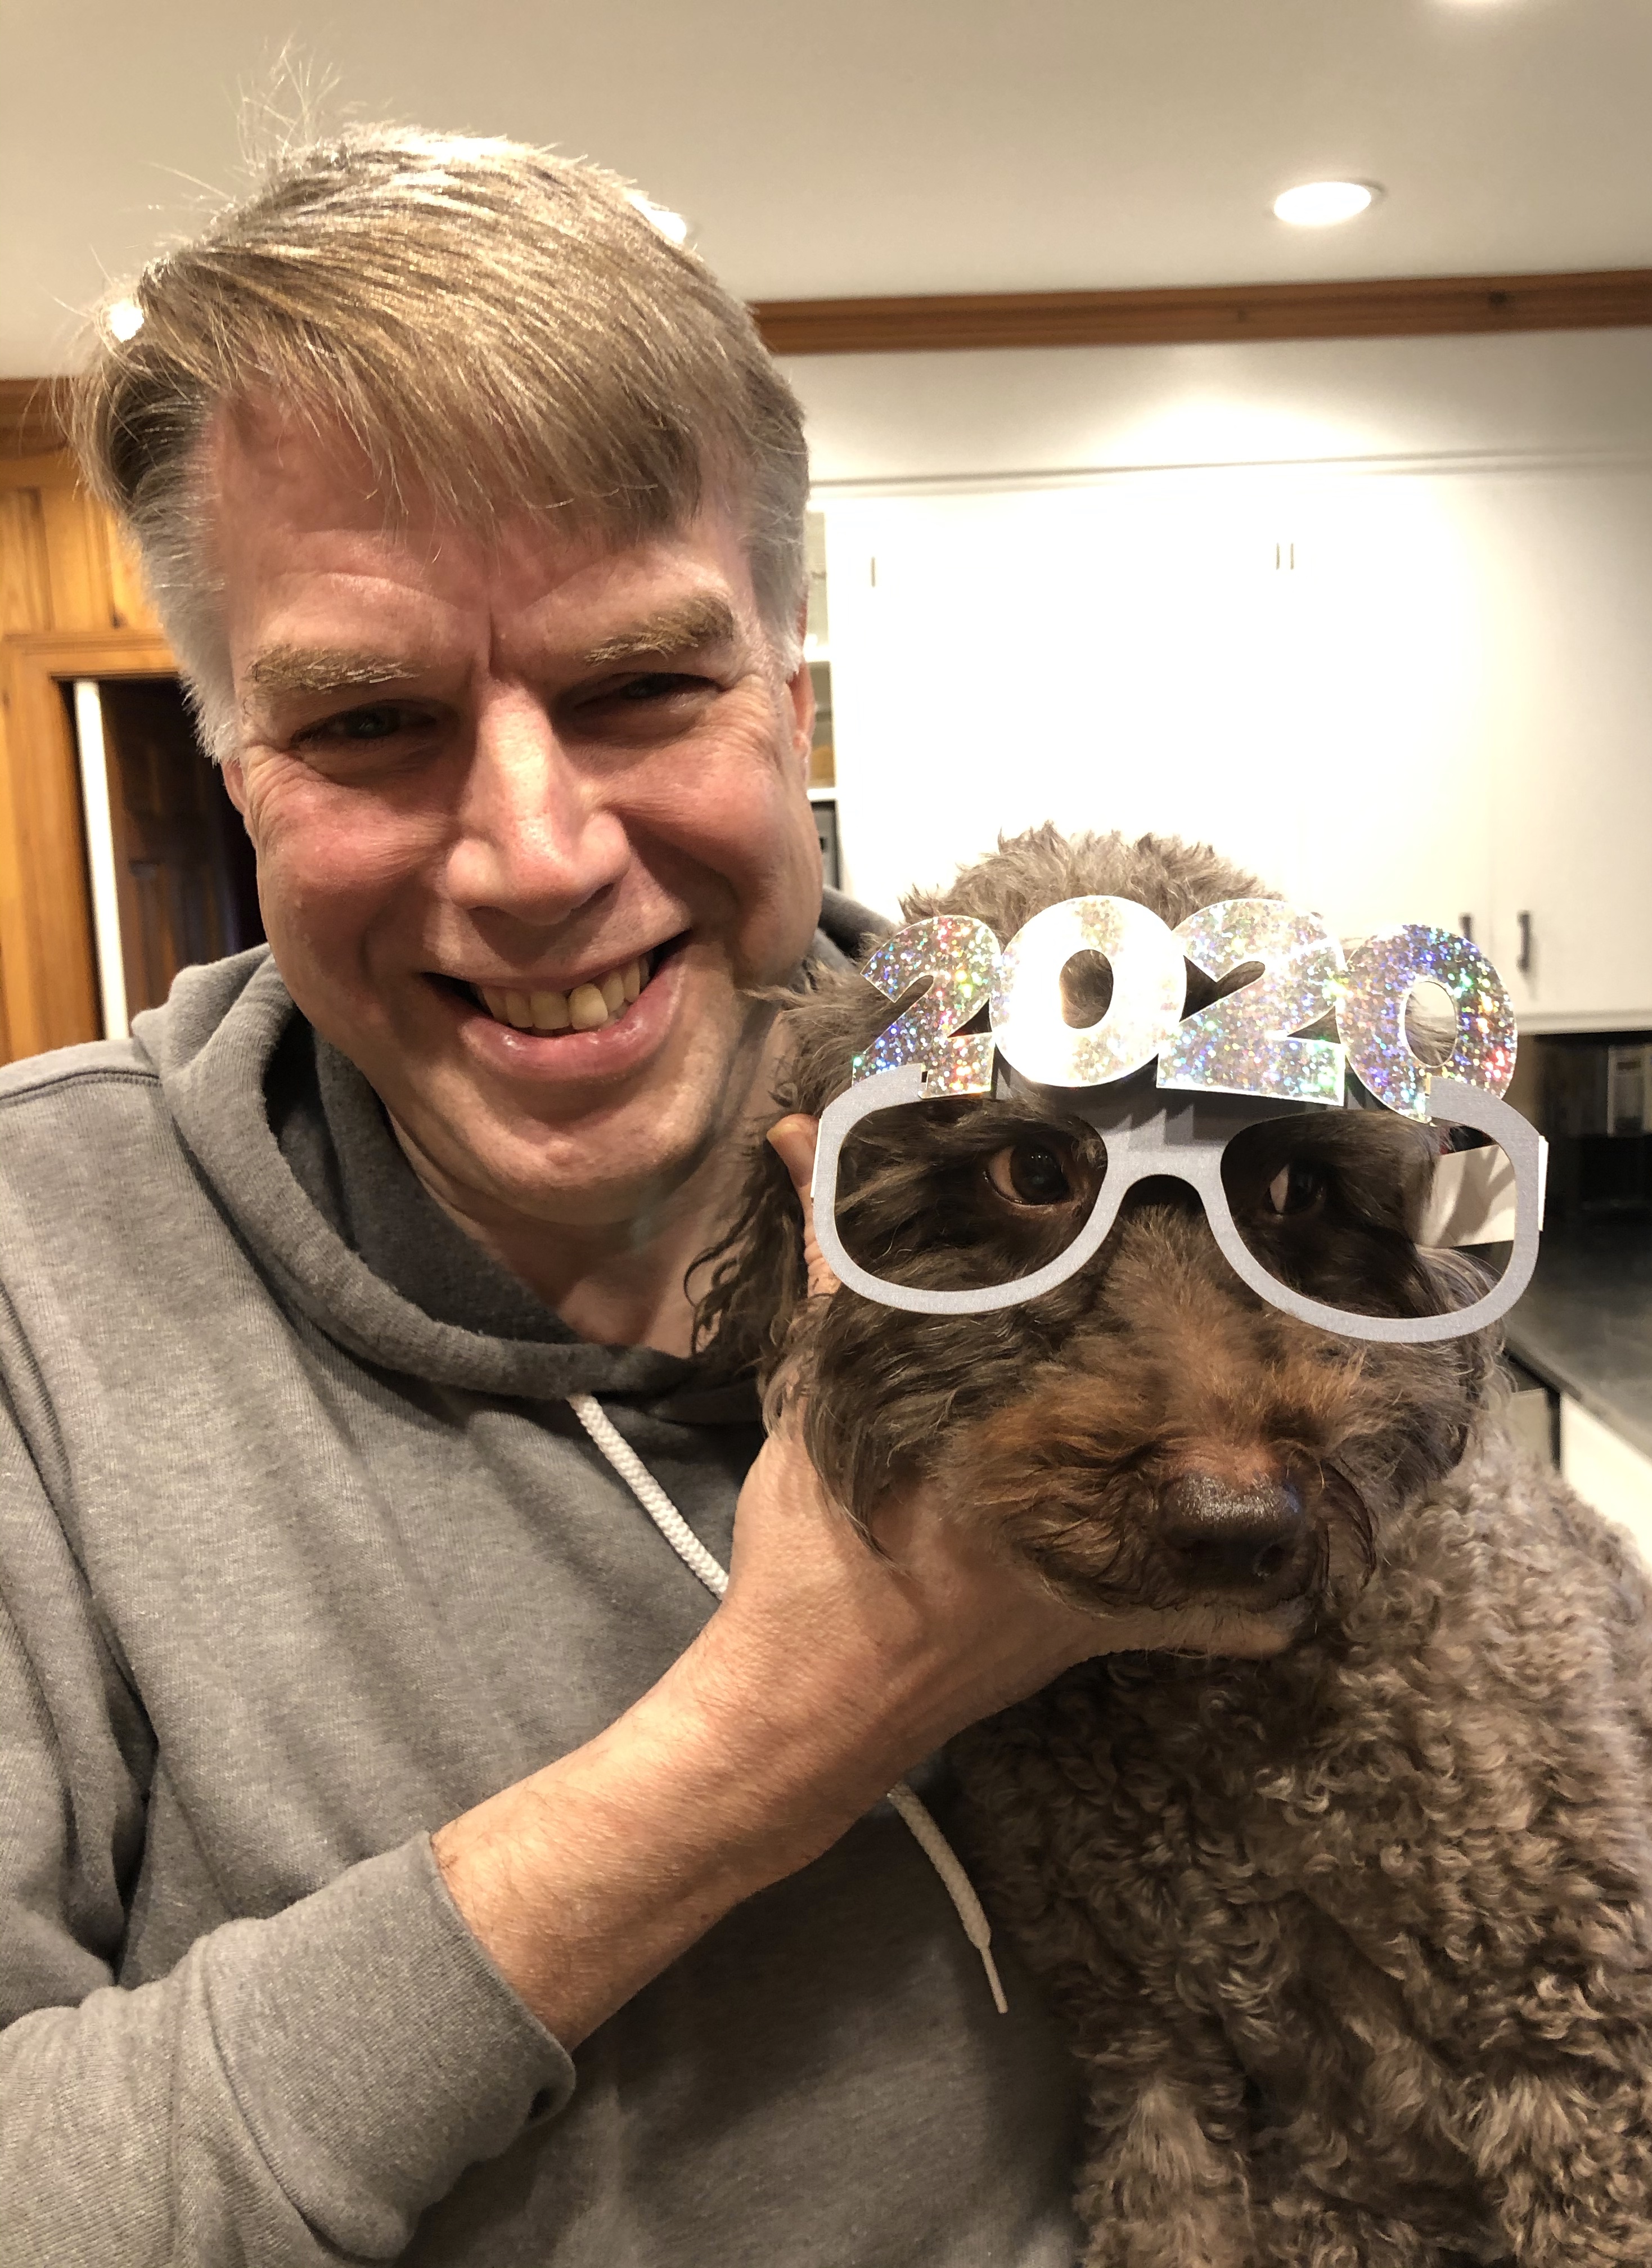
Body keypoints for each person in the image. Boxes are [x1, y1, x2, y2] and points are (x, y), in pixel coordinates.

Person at [0, 129, 1168, 2264]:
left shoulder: (1128, 1122)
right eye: (369, 721)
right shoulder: (34, 1284)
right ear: (234, 769)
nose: (536, 858)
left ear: (789, 704)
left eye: (641, 687)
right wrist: (769, 1734)